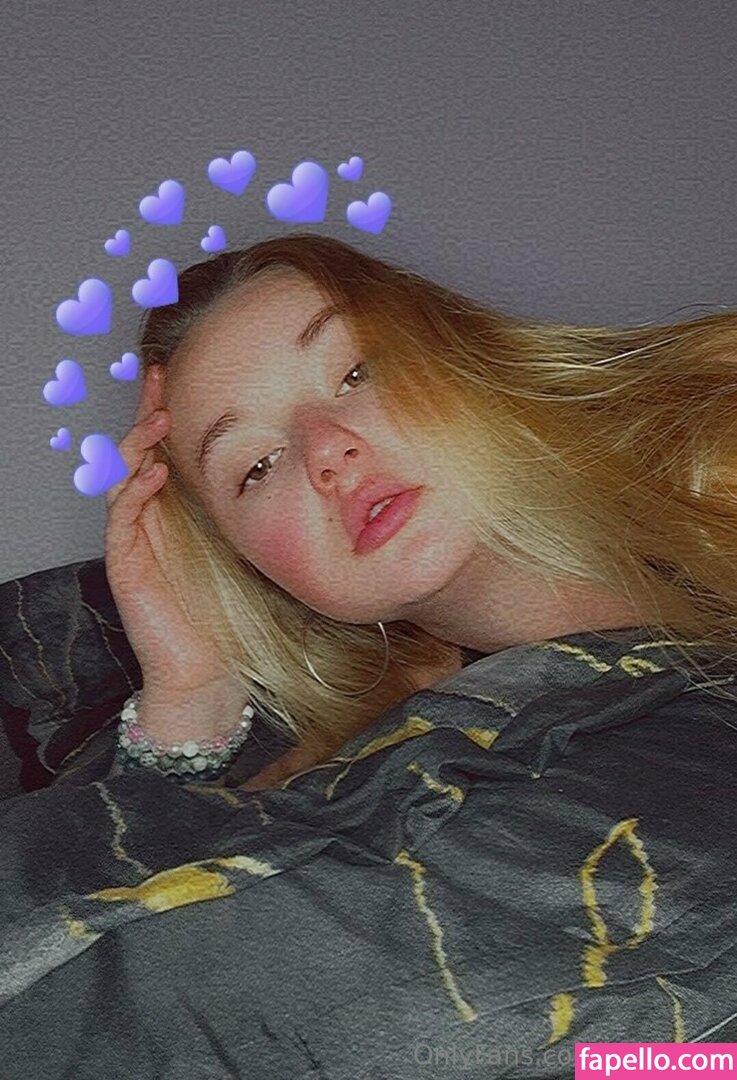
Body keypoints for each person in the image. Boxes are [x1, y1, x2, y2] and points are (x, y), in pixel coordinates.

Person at [103, 232, 737, 791]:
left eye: (357, 373)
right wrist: (192, 692)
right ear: (248, 567)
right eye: (257, 466)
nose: (326, 450)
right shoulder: (387, 770)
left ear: (467, 355)